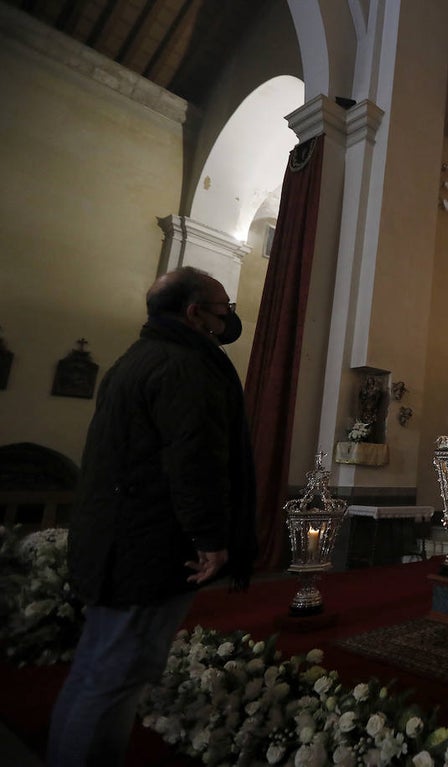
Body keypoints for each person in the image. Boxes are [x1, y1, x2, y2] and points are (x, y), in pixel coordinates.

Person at [48, 266, 259, 766]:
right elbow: (193, 458)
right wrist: (211, 537)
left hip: (119, 539)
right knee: (115, 675)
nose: (228, 318)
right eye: (223, 309)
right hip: (144, 545)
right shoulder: (184, 366)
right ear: (194, 314)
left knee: (97, 671)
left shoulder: (136, 359)